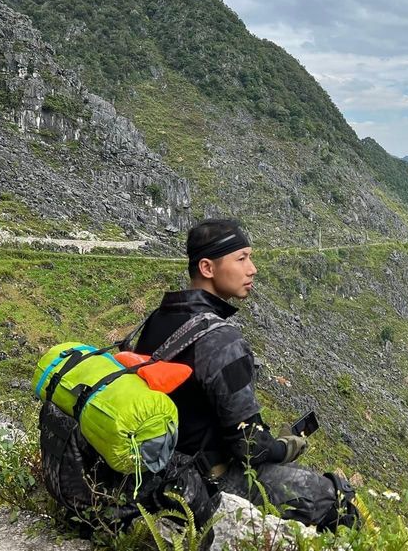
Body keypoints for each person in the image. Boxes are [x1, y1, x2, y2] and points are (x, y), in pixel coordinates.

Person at [134, 218, 358, 531]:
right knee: (331, 497)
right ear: (208, 268)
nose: (252, 269)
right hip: (200, 481)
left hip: (156, 470)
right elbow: (249, 447)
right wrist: (286, 446)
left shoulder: (157, 318)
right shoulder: (220, 339)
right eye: (241, 259)